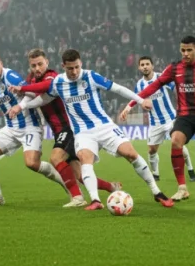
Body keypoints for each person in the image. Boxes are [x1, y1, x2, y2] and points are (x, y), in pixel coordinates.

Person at [17, 49, 175, 211]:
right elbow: (45, 98)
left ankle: (156, 192)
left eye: (77, 67)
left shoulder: (90, 76)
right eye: (70, 68)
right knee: (86, 159)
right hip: (82, 132)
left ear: (81, 64)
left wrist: (140, 101)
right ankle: (95, 200)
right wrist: (23, 106)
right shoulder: (58, 83)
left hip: (104, 126)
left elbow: (118, 89)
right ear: (64, 66)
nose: (74, 72)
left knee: (131, 154)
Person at [122, 36, 195, 202]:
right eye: (183, 50)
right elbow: (153, 87)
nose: (186, 53)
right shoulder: (175, 68)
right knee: (175, 141)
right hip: (184, 116)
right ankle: (182, 188)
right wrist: (131, 104)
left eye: (189, 50)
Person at [8, 49, 121, 208]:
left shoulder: (52, 76)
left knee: (56, 158)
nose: (37, 68)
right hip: (58, 130)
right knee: (80, 176)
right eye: (33, 65)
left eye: (40, 64)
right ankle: (111, 187)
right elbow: (31, 92)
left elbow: (43, 88)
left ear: (47, 62)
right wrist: (21, 103)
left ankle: (77, 197)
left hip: (68, 127)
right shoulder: (32, 79)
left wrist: (23, 95)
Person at [0, 50, 68, 207]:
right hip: (10, 128)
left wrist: (19, 106)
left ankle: (66, 183)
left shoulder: (11, 77)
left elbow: (31, 92)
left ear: (1, 63)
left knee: (32, 163)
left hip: (31, 126)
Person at [133, 55, 195, 182]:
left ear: (152, 66)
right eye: (142, 65)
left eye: (147, 64)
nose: (145, 67)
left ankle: (190, 169)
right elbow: (139, 100)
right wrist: (144, 105)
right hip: (155, 122)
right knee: (151, 150)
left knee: (178, 145)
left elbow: (176, 89)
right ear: (139, 68)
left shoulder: (161, 77)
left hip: (171, 119)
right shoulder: (139, 85)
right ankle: (155, 174)